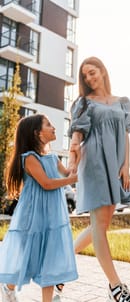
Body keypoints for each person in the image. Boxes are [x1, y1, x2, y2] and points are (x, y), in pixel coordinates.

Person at [61, 56, 130, 301]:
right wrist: (72, 159)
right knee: (99, 225)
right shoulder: (84, 103)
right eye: (85, 76)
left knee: (101, 225)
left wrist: (126, 166)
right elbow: (77, 135)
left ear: (103, 71)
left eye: (92, 72)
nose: (89, 78)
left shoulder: (122, 102)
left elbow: (126, 136)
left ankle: (60, 266)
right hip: (93, 163)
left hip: (115, 165)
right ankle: (116, 287)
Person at [0, 114, 78, 302]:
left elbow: (69, 172)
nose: (54, 127)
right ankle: (8, 287)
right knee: (25, 256)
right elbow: (47, 183)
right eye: (48, 125)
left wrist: (76, 152)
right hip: (32, 216)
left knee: (50, 261)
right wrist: (70, 180)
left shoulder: (52, 158)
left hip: (52, 216)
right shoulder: (29, 158)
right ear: (37, 133)